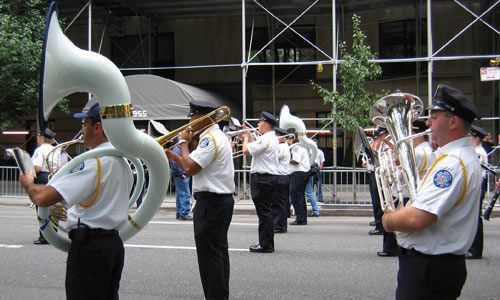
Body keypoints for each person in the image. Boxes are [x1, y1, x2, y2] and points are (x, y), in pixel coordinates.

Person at [20, 102, 134, 299]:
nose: (83, 130)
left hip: (91, 248)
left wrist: (29, 182)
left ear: (98, 127)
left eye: (85, 123)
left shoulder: (96, 162)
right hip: (112, 245)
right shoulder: (122, 161)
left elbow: (42, 198)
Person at [382, 84, 482, 299]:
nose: (427, 123)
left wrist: (388, 220)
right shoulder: (454, 157)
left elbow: (418, 218)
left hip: (429, 266)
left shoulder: (453, 163)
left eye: (434, 117)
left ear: (453, 122)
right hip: (434, 265)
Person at [165, 100, 234, 299]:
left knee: (210, 258)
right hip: (218, 202)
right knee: (218, 253)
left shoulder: (210, 138)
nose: (190, 123)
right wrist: (174, 156)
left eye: (193, 117)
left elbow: (190, 168)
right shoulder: (213, 136)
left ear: (202, 118)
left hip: (211, 203)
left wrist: (183, 144)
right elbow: (191, 163)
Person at [240, 111, 279, 253]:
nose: (258, 124)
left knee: (264, 214)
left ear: (267, 125)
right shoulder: (269, 138)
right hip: (267, 178)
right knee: (265, 212)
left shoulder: (266, 139)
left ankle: (266, 244)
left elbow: (246, 151)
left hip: (263, 179)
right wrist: (249, 136)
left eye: (260, 122)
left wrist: (245, 138)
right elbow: (254, 148)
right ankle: (266, 243)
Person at [31, 127, 59, 245]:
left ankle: (44, 236)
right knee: (53, 207)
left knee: (41, 207)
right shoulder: (56, 149)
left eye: (38, 136)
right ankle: (53, 233)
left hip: (42, 177)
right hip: (55, 177)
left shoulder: (40, 149)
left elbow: (37, 168)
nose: (37, 138)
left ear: (42, 138)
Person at [466, 124, 489, 259]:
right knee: (474, 218)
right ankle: (472, 248)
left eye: (470, 136)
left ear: (475, 138)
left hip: (478, 185)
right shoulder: (475, 151)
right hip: (476, 185)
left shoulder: (478, 152)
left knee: (475, 218)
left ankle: (475, 250)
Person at [288, 134, 311, 226]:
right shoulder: (301, 147)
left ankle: (300, 218)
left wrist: (285, 159)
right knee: (299, 196)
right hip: (301, 173)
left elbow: (296, 161)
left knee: (296, 196)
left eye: (289, 139)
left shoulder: (296, 148)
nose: (287, 140)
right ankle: (302, 218)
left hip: (299, 173)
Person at [272, 128, 292, 233]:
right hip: (282, 177)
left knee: (279, 204)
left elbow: (279, 156)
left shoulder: (283, 146)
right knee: (280, 203)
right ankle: (280, 225)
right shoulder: (282, 146)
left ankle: (280, 225)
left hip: (280, 177)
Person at [169, 143, 192, 221]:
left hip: (178, 174)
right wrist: (182, 173)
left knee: (180, 194)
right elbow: (175, 163)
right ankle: (184, 213)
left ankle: (179, 213)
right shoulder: (178, 150)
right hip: (181, 174)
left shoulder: (175, 149)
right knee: (185, 194)